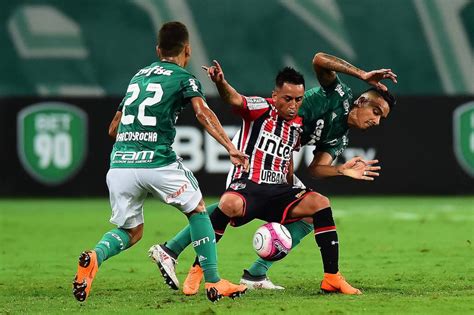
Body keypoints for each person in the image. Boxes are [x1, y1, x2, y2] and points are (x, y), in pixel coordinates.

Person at [150, 52, 396, 295]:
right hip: (257, 146)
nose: (376, 121)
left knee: (314, 209)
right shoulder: (338, 95)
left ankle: (262, 274)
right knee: (233, 203)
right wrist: (362, 74)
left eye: (382, 118)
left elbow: (316, 168)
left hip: (283, 154)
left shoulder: (340, 137)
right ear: (361, 102)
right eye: (376, 112)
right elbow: (319, 59)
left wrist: (341, 170)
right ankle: (182, 256)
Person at [72, 21, 249, 303]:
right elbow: (202, 113)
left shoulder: (137, 77)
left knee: (131, 231)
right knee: (199, 210)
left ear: (158, 49)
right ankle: (214, 282)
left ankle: (95, 256)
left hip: (120, 164)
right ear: (187, 51)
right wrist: (230, 146)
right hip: (156, 162)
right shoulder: (184, 78)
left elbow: (113, 129)